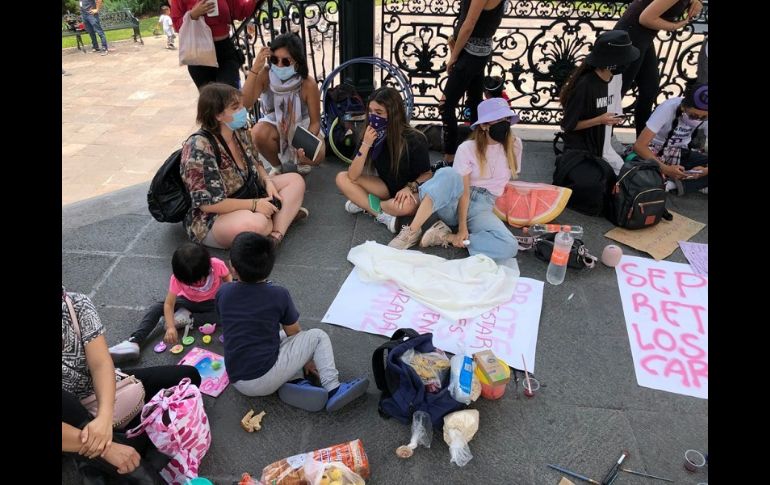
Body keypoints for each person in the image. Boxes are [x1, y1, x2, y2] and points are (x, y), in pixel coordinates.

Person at [62, 287, 201, 484]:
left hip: (99, 393)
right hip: (69, 418)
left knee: (189, 375)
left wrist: (104, 417)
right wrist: (106, 449)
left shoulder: (75, 304)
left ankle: (99, 456)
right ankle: (99, 458)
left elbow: (101, 365)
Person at [217, 232, 369, 412]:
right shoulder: (277, 294)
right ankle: (333, 388)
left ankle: (297, 383)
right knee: (317, 337)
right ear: (270, 266)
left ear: (232, 268)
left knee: (278, 337)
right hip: (263, 376)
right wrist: (307, 358)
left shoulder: (223, 292)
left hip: (236, 377)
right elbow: (294, 333)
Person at [388, 98, 521, 264]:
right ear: (484, 125)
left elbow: (504, 181)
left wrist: (458, 235)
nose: (504, 124)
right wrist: (462, 227)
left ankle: (444, 235)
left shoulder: (515, 146)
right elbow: (464, 192)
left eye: (506, 119)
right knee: (448, 173)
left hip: (483, 206)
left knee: (510, 246)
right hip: (456, 201)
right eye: (498, 120)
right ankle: (412, 231)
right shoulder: (467, 148)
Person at [181, 82, 308, 249]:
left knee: (296, 181)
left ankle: (275, 235)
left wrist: (267, 182)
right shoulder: (199, 147)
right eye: (236, 108)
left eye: (241, 105)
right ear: (217, 115)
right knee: (257, 224)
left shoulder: (239, 132)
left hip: (249, 194)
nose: (243, 110)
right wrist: (255, 205)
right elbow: (208, 204)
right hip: (215, 217)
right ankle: (280, 217)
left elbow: (257, 162)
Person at [108, 243, 233, 363]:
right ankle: (135, 341)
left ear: (207, 268)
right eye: (190, 283)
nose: (196, 284)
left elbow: (228, 278)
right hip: (186, 301)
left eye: (199, 280)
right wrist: (171, 326)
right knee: (157, 307)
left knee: (227, 315)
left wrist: (228, 295)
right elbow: (169, 304)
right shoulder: (177, 278)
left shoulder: (217, 265)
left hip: (212, 302)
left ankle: (189, 318)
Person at [335, 87, 432, 234]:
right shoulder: (370, 133)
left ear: (393, 114)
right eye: (371, 111)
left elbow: (427, 174)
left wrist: (410, 187)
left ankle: (365, 203)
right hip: (385, 186)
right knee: (342, 178)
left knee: (407, 207)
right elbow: (353, 175)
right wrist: (366, 144)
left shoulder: (415, 139)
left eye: (379, 113)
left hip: (411, 190)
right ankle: (381, 215)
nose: (373, 116)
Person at [614, 0, 704, 135]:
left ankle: (642, 140)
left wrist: (697, 2)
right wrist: (674, 26)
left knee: (649, 88)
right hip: (630, 37)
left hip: (643, 38)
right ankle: (603, 139)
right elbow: (646, 18)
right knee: (617, 91)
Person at [242, 33, 325, 176]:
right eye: (274, 59)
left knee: (318, 155)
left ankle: (301, 161)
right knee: (257, 132)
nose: (279, 65)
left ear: (297, 61)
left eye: (286, 61)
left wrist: (305, 144)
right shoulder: (265, 75)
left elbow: (315, 122)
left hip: (301, 126)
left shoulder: (308, 83)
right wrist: (255, 70)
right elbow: (245, 104)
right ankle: (276, 166)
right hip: (275, 123)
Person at [436, 0, 506, 170]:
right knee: (475, 104)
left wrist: (453, 56)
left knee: (446, 104)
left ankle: (450, 157)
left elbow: (469, 24)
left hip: (471, 53)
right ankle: (477, 153)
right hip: (480, 52)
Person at [559, 30, 640, 159]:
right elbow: (568, 126)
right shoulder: (585, 86)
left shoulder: (615, 78)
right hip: (585, 149)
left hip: (604, 144)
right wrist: (599, 120)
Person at [630, 82, 708, 195]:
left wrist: (705, 171)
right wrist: (664, 168)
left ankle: (672, 185)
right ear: (684, 106)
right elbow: (639, 146)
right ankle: (688, 183)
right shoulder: (667, 108)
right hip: (655, 152)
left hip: (681, 153)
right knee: (640, 172)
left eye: (704, 117)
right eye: (694, 116)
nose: (698, 119)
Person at [171, 0, 258, 89]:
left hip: (225, 50)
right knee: (210, 99)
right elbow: (177, 26)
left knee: (229, 96)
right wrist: (193, 15)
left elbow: (240, 10)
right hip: (199, 55)